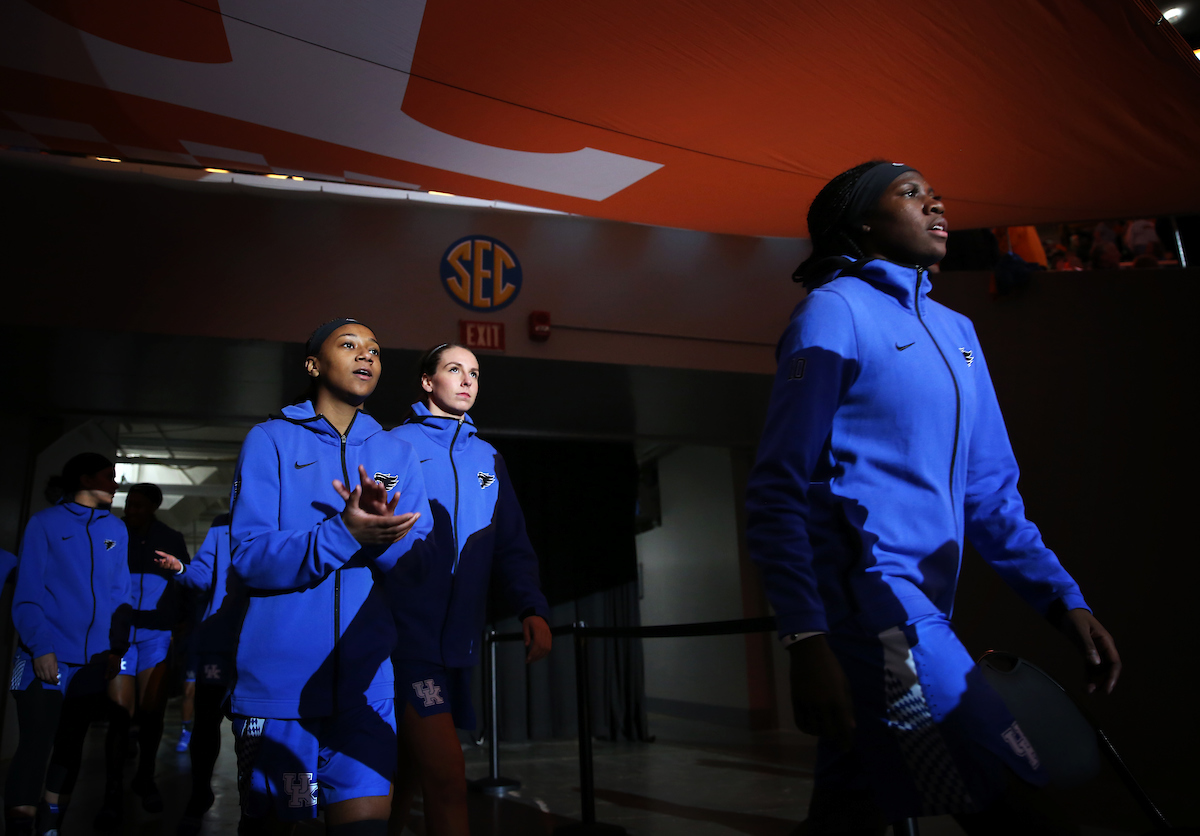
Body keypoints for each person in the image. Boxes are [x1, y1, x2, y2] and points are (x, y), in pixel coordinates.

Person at [745, 161, 1121, 835]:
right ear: (864, 220)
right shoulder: (834, 311)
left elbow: (990, 494)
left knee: (852, 807)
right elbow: (779, 487)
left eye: (935, 192)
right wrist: (806, 638)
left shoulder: (958, 334)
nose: (935, 202)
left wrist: (1064, 598)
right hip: (879, 613)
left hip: (920, 610)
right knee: (1004, 781)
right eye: (910, 193)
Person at [228, 317, 431, 835]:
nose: (366, 355)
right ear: (314, 363)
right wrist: (343, 533)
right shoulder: (270, 439)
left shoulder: (396, 452)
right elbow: (249, 557)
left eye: (376, 350)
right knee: (283, 827)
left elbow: (416, 568)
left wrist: (384, 538)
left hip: (366, 689)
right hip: (282, 693)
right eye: (349, 345)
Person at [386, 343, 552, 836]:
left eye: (474, 373)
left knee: (407, 770)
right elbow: (369, 535)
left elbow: (512, 545)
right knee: (447, 776)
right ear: (426, 381)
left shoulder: (488, 458)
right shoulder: (394, 447)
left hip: (457, 640)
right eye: (454, 370)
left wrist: (532, 608)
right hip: (404, 638)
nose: (466, 380)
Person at [5, 453, 132, 836]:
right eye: (108, 477)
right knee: (34, 747)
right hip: (39, 658)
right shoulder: (44, 524)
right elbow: (26, 595)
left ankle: (50, 823)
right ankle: (20, 827)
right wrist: (42, 648)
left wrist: (114, 649)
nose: (115, 484)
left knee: (69, 747)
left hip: (92, 661)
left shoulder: (117, 530)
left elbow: (120, 595)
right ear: (83, 478)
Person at [94, 481, 191, 827]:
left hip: (156, 637)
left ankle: (145, 778)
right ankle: (112, 792)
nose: (130, 509)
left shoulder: (171, 538)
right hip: (119, 638)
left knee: (152, 714)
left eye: (138, 505)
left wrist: (181, 621)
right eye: (128, 503)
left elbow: (186, 580)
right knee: (121, 714)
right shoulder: (111, 533)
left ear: (153, 507)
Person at [155, 513, 238, 835]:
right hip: (217, 642)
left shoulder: (285, 516)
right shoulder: (222, 524)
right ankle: (199, 793)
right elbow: (202, 576)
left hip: (264, 644)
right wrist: (180, 569)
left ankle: (256, 804)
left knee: (257, 730)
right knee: (207, 720)